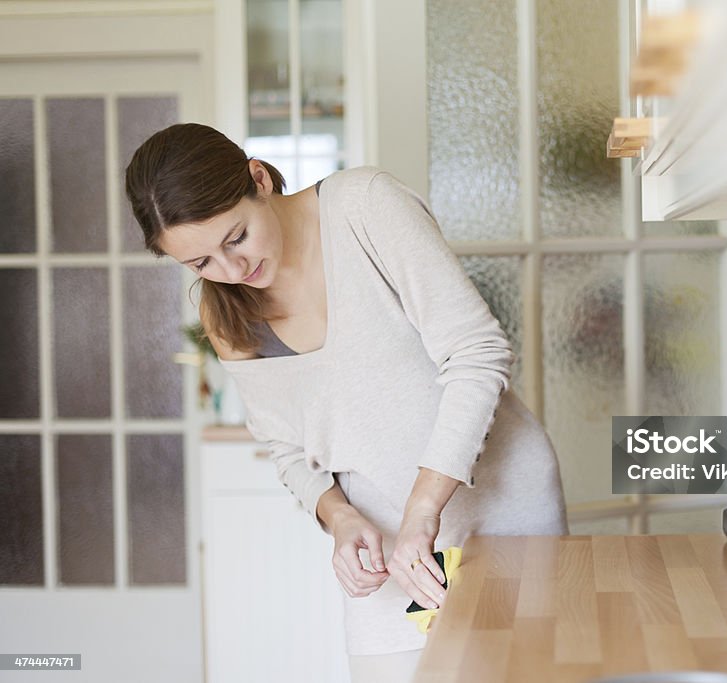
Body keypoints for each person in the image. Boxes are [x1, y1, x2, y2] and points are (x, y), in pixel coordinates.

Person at [125, 123, 568, 682]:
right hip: (391, 552)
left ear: (258, 179)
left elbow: (477, 354)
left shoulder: (364, 207)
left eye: (236, 237)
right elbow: (286, 448)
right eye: (200, 263)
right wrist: (339, 518)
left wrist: (424, 509)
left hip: (503, 511)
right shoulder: (226, 313)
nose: (232, 271)